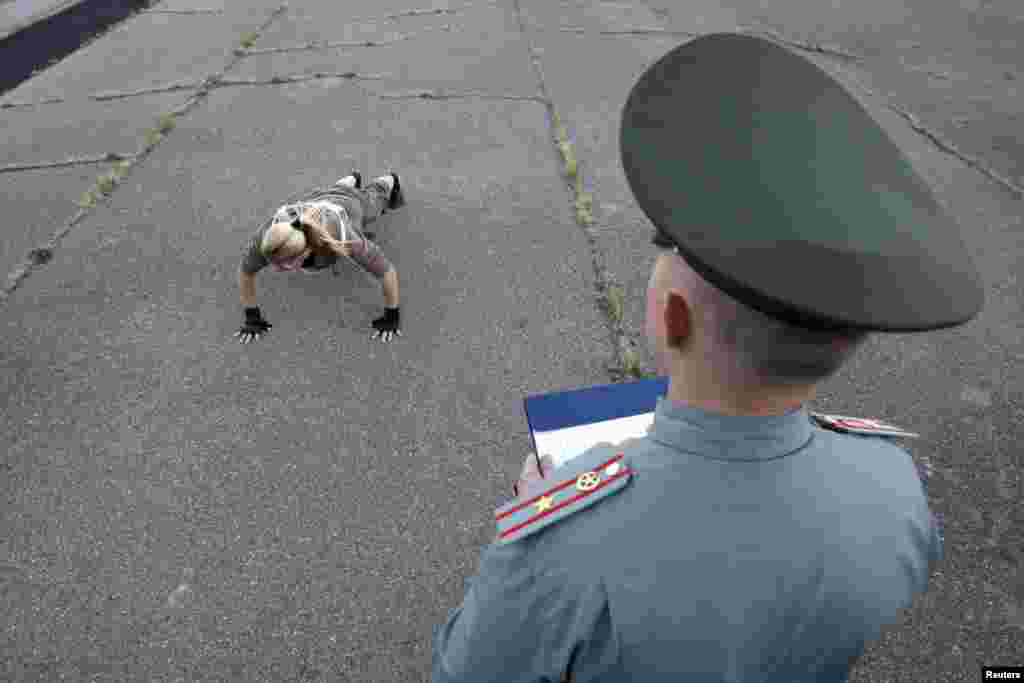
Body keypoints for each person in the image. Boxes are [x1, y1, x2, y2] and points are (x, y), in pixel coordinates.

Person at [432, 32, 982, 682]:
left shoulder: (556, 548)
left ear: (672, 317)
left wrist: (540, 507)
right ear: (848, 337)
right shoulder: (897, 487)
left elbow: (461, 672)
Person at [236, 171, 406, 344]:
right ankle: (350, 181)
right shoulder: (266, 238)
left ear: (305, 252)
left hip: (350, 205)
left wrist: (391, 316)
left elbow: (387, 272)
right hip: (316, 199)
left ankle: (388, 180)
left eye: (284, 265)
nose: (277, 269)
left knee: (373, 201)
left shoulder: (345, 238)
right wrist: (252, 317)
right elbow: (246, 272)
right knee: (334, 192)